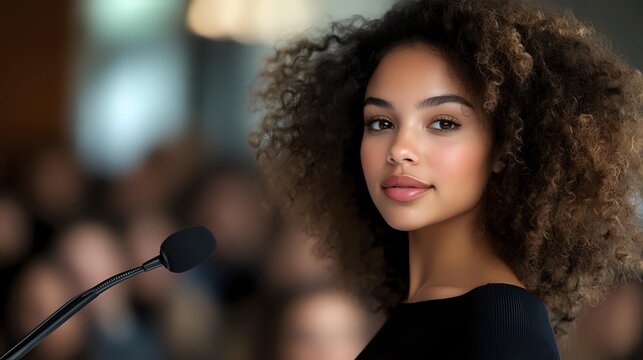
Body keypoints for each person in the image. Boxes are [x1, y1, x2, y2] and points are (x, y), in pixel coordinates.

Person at [249, 0, 641, 358]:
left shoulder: (498, 324)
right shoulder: (423, 309)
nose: (400, 148)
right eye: (381, 122)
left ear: (505, 148)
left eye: (443, 122)